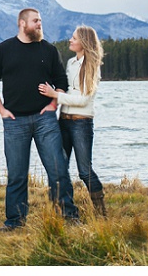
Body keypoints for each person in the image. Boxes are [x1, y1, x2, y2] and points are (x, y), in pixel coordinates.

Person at [0, 8, 80, 231]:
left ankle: (67, 215)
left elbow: (60, 81)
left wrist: (53, 105)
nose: (39, 24)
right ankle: (15, 222)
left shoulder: (48, 49)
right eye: (35, 21)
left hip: (45, 119)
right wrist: (1, 110)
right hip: (15, 121)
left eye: (40, 21)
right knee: (17, 174)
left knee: (58, 169)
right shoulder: (3, 50)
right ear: (22, 23)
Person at [39, 25, 107, 216]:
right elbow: (67, 89)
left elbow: (84, 100)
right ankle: (59, 208)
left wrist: (55, 96)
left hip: (81, 123)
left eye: (74, 38)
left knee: (84, 171)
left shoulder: (92, 66)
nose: (70, 40)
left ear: (84, 42)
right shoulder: (70, 63)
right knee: (59, 166)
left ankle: (101, 212)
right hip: (64, 121)